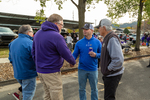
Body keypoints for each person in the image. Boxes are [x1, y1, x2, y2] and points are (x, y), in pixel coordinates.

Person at [32, 14, 76, 100]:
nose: (61, 27)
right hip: (51, 71)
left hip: (40, 71)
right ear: (56, 24)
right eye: (62, 25)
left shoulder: (37, 34)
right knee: (56, 95)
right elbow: (66, 52)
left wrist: (38, 64)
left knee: (47, 94)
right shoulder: (56, 36)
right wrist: (72, 62)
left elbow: (33, 52)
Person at [95, 18, 124, 100]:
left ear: (104, 28)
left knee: (109, 98)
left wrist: (108, 69)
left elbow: (118, 60)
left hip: (112, 75)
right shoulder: (107, 38)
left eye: (99, 27)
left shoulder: (111, 38)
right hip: (110, 74)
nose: (98, 29)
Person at [73, 23, 102, 100]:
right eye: (84, 29)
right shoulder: (79, 43)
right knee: (82, 89)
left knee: (94, 89)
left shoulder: (97, 42)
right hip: (82, 69)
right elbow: (74, 55)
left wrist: (96, 55)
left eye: (86, 29)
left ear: (92, 30)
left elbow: (102, 54)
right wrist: (71, 61)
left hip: (93, 69)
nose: (84, 31)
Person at [8, 24, 37, 100]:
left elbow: (10, 59)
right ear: (28, 32)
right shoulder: (30, 43)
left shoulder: (12, 43)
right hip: (28, 73)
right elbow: (36, 58)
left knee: (25, 91)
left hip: (18, 73)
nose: (32, 34)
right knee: (28, 94)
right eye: (32, 32)